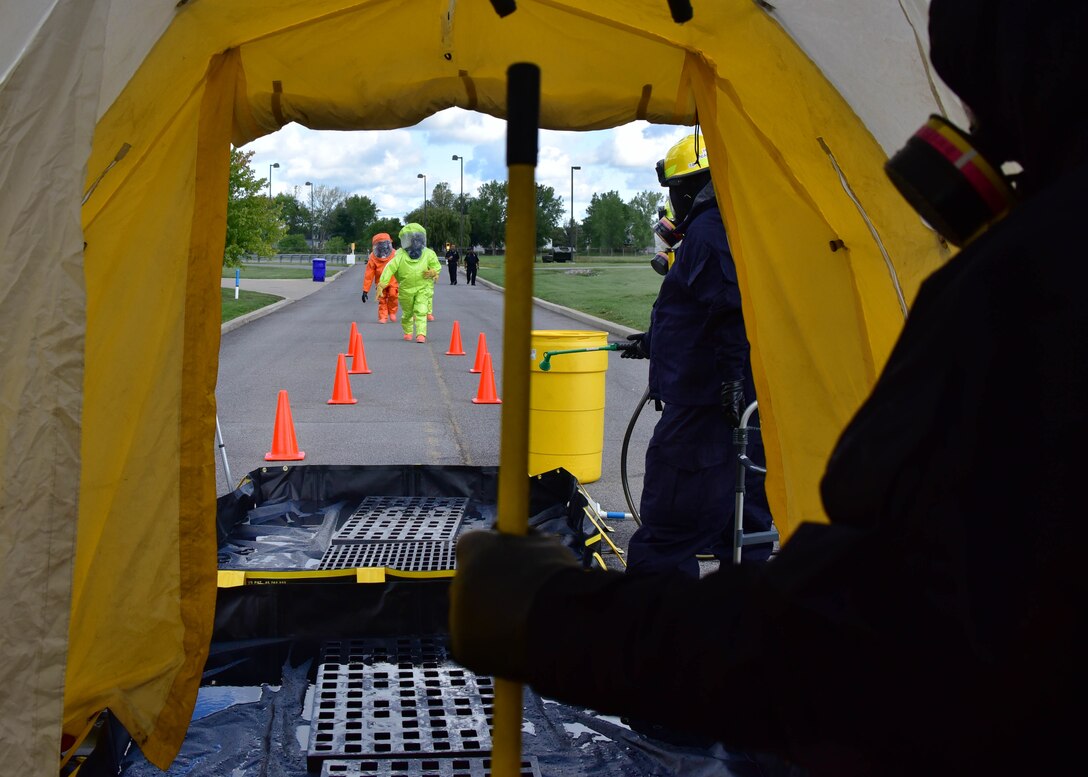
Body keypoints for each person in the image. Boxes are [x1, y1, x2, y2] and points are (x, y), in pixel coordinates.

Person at [449, 2, 1088, 774]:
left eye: (979, 110)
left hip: (702, 424)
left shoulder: (1027, 291)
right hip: (704, 410)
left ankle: (671, 729)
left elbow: (855, 640)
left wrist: (552, 618)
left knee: (670, 539)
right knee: (726, 538)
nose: (973, 137)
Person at [620, 132, 774, 576]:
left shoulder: (708, 231)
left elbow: (729, 310)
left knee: (667, 534)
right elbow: (699, 312)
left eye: (675, 190)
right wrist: (651, 341)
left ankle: (656, 635)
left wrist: (730, 383)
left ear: (690, 187)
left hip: (705, 414)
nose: (672, 202)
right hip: (735, 409)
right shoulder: (727, 227)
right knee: (742, 529)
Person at [377, 223, 441, 343]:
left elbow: (436, 265)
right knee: (407, 313)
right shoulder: (400, 255)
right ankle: (408, 331)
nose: (415, 244)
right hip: (406, 289)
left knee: (421, 310)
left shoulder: (428, 253)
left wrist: (433, 272)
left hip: (423, 287)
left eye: (417, 239)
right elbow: (389, 268)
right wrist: (382, 284)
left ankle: (421, 334)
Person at [360, 232, 398, 323]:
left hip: (392, 281)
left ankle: (392, 312)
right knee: (382, 299)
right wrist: (365, 290)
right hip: (380, 283)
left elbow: (402, 267)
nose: (383, 247)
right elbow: (369, 275)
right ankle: (383, 316)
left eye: (384, 244)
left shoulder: (395, 254)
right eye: (380, 245)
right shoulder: (373, 257)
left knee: (393, 295)